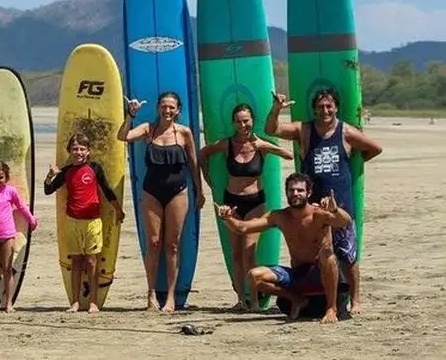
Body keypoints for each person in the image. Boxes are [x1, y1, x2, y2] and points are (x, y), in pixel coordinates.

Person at [265, 88, 383, 315]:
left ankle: (355, 300)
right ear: (314, 109)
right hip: (313, 209)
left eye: (329, 106)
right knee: (319, 254)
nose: (325, 111)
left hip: (341, 207)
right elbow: (272, 129)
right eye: (320, 107)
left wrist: (354, 166)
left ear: (336, 107)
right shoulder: (305, 130)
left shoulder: (346, 131)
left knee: (348, 255)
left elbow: (375, 148)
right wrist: (276, 110)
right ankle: (321, 298)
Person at [215, 173, 351, 323]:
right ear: (286, 192)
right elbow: (242, 228)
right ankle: (296, 299)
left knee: (328, 254)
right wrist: (226, 218)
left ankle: (331, 308)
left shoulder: (319, 214)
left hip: (321, 272)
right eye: (291, 190)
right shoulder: (279, 216)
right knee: (254, 276)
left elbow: (344, 221)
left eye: (300, 190)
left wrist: (335, 210)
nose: (295, 194)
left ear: (309, 193)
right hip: (298, 274)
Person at [199, 103, 294, 310]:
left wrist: (264, 145)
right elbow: (203, 153)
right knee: (236, 253)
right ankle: (241, 299)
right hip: (230, 202)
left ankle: (254, 301)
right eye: (238, 121)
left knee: (249, 252)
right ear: (233, 123)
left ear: (252, 121)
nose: (242, 125)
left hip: (255, 203)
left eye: (246, 120)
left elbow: (289, 155)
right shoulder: (227, 144)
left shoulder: (260, 145)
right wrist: (208, 179)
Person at [116, 91, 205, 312]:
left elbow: (194, 164)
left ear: (178, 110)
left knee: (172, 245)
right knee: (154, 243)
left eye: (171, 107)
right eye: (163, 106)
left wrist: (200, 190)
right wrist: (130, 115)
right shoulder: (148, 128)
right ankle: (151, 294)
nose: (167, 110)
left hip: (178, 191)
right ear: (158, 108)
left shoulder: (184, 133)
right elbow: (123, 136)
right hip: (151, 192)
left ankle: (172, 297)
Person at [44, 132, 125, 314]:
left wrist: (118, 210)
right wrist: (49, 176)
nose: (78, 152)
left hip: (93, 222)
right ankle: (75, 302)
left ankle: (94, 302)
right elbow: (49, 190)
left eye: (82, 149)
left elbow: (107, 190)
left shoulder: (94, 168)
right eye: (74, 149)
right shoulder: (66, 172)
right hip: (72, 221)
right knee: (76, 262)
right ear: (70, 151)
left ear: (88, 151)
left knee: (91, 261)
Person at [0, 160, 38, 313]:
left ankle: (9, 303)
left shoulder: (10, 191)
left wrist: (31, 219)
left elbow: (21, 206)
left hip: (8, 235)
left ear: (6, 177)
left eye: (1, 177)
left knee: (7, 269)